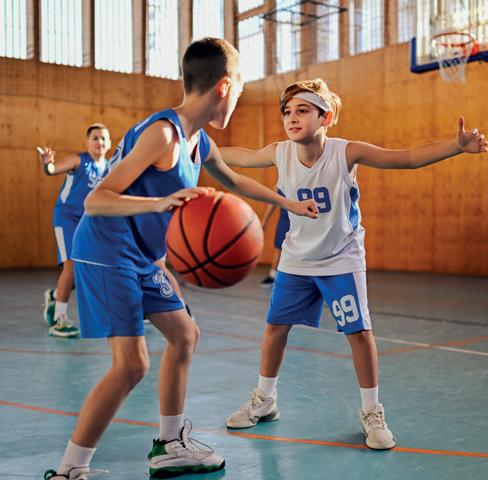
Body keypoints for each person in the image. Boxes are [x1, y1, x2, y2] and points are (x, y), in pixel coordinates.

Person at [43, 38, 317, 480]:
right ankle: (69, 470)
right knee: (132, 364)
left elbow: (235, 182)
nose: (238, 99)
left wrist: (289, 204)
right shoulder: (164, 134)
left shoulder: (198, 141)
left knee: (184, 335)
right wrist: (160, 204)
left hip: (142, 256)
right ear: (224, 87)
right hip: (106, 251)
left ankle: (170, 445)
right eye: (240, 90)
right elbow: (97, 200)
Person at [220, 78, 488, 450]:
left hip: (341, 258)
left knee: (359, 333)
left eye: (302, 110)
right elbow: (238, 155)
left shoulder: (346, 152)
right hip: (297, 259)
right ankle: (265, 399)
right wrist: (195, 145)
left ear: (326, 117)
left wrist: (455, 147)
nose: (292, 118)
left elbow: (406, 158)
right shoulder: (278, 152)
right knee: (275, 327)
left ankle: (372, 411)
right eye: (287, 112)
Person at [38, 125, 111, 338]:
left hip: (89, 222)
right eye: (95, 138)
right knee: (70, 266)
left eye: (103, 138)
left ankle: (55, 295)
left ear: (109, 143)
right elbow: (52, 170)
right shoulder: (79, 161)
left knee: (85, 271)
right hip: (67, 218)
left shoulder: (110, 169)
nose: (99, 142)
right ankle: (60, 319)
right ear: (87, 142)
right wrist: (47, 164)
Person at [259, 188, 290, 287]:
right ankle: (272, 275)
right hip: (285, 220)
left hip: (302, 220)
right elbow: (272, 201)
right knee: (279, 247)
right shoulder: (281, 183)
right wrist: (264, 221)